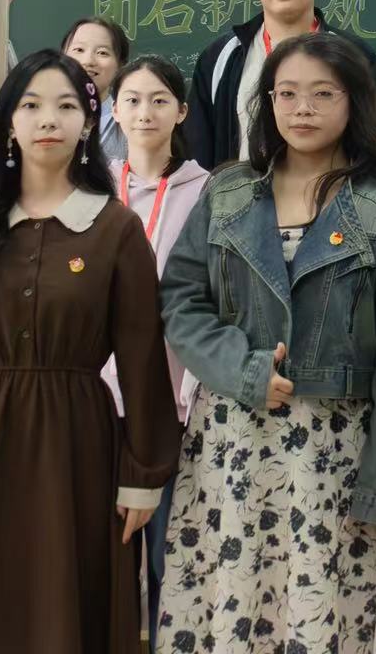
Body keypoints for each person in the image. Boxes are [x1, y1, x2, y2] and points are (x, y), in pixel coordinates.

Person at [0, 51, 180, 654]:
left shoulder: (115, 229)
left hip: (81, 447)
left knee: (69, 601)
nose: (49, 119)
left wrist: (143, 474)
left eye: (66, 106)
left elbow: (143, 360)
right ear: (9, 125)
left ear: (88, 124)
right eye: (31, 105)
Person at [159, 32, 376, 653]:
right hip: (232, 439)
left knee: (324, 609)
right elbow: (180, 300)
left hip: (336, 448)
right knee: (233, 602)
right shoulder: (229, 190)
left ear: (354, 102)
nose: (302, 109)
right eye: (287, 94)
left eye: (323, 94)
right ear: (267, 102)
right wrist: (241, 369)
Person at [104, 54, 209, 649]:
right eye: (133, 100)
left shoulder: (208, 192)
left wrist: (191, 390)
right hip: (100, 404)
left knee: (172, 555)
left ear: (182, 111)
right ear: (114, 111)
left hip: (175, 405)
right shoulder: (92, 189)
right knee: (107, 558)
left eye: (159, 100)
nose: (145, 112)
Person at [183, 0, 376, 168]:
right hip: (243, 190)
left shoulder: (354, 56)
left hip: (330, 189)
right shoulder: (222, 56)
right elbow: (198, 151)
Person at [63, 17, 131, 164]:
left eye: (102, 53)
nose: (88, 61)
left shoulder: (132, 122)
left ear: (120, 65)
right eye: (79, 50)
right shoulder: (44, 117)